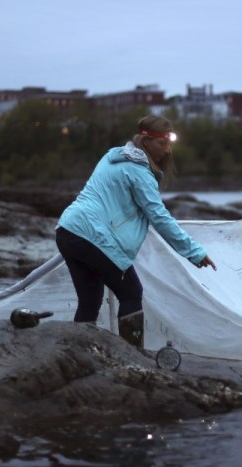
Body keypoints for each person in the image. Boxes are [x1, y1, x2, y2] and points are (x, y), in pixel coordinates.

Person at [55, 115, 216, 348]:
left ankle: (77, 353)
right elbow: (160, 218)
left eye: (169, 144)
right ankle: (132, 356)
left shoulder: (112, 156)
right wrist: (195, 253)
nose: (167, 150)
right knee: (131, 293)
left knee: (90, 300)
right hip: (93, 236)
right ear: (146, 141)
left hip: (68, 231)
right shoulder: (140, 173)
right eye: (162, 143)